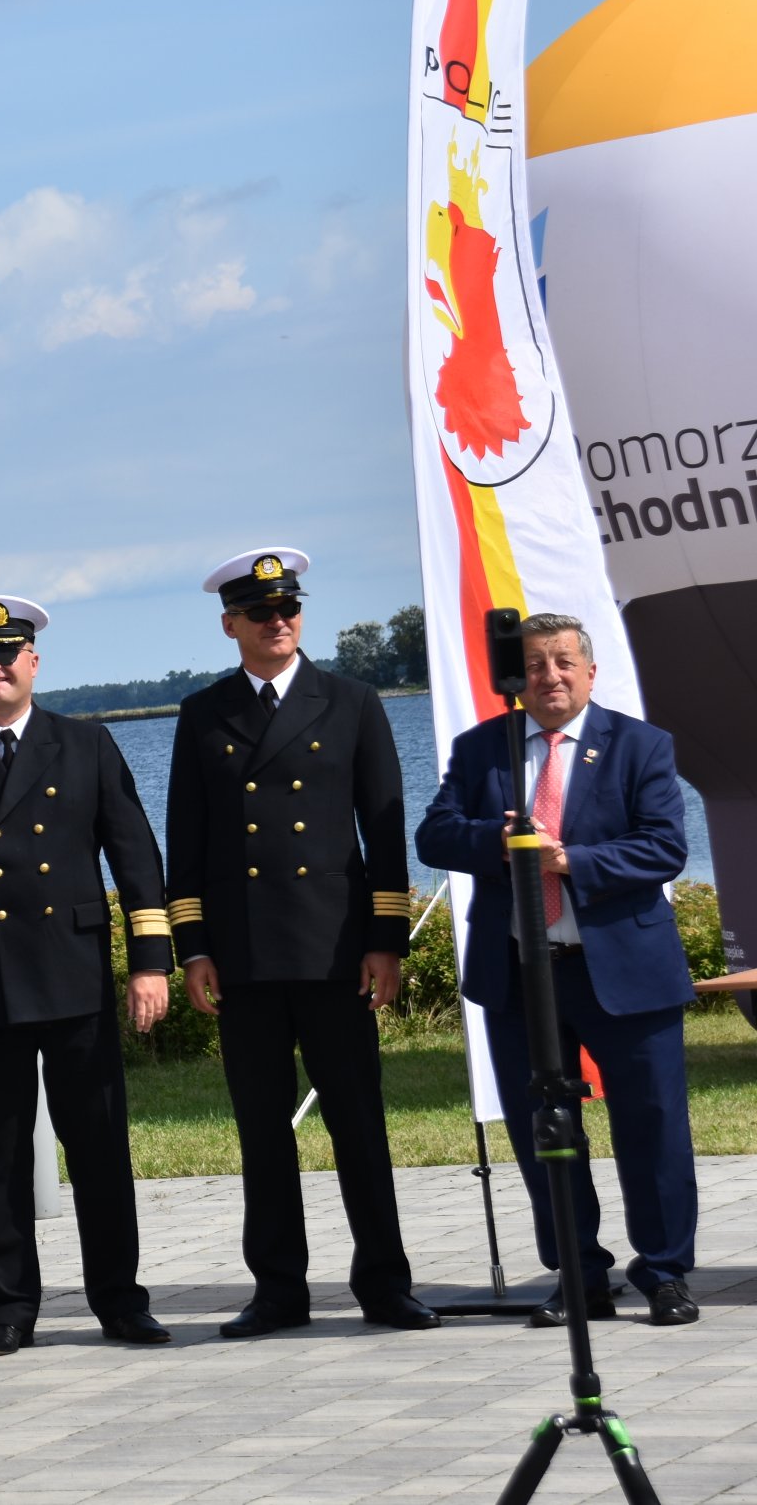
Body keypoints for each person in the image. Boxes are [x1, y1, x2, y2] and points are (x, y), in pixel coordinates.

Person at [0, 596, 173, 1359]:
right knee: (1, 1156)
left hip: (75, 977)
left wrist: (150, 962)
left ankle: (120, 1299)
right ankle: (8, 1310)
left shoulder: (85, 744)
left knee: (101, 1146)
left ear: (34, 661)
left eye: (6, 652)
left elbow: (138, 862)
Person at [165, 548, 438, 1338]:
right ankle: (279, 1287)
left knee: (358, 1119)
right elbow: (186, 840)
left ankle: (385, 1281)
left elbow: (383, 830)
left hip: (333, 952)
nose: (278, 620)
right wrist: (193, 945)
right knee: (262, 1127)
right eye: (260, 612)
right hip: (245, 956)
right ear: (231, 625)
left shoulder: (350, 701)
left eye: (289, 607)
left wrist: (387, 939)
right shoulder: (202, 713)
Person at [416, 612, 699, 1326]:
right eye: (536, 664)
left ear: (590, 670)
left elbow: (665, 846)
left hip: (626, 972)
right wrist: (504, 838)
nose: (550, 676)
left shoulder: (641, 745)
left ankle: (665, 1272)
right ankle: (579, 1275)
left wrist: (571, 860)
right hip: (519, 973)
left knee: (653, 1125)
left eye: (564, 662)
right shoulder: (485, 748)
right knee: (544, 1129)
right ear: (518, 677)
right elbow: (435, 834)